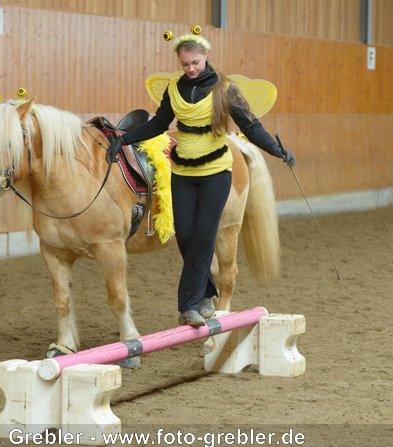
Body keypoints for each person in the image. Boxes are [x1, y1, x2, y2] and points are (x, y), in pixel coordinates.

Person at [106, 32, 295, 327]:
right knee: (185, 235)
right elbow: (159, 123)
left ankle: (189, 305)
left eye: (195, 62)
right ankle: (207, 293)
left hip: (216, 173)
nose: (191, 68)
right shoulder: (174, 88)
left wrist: (276, 150)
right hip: (182, 172)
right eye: (185, 64)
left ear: (205, 57)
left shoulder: (225, 89)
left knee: (205, 234)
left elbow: (251, 125)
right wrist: (124, 139)